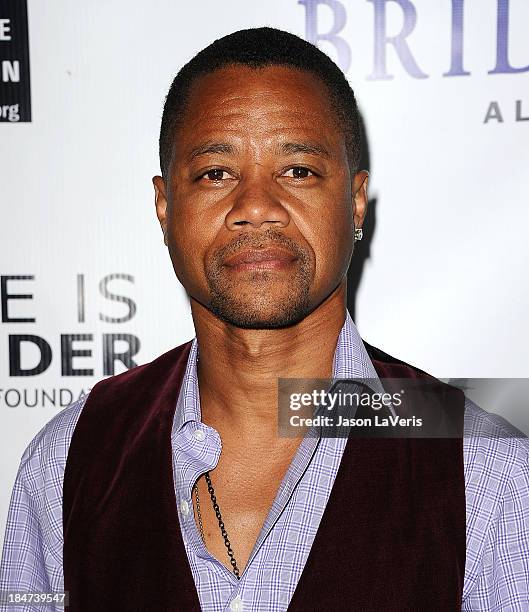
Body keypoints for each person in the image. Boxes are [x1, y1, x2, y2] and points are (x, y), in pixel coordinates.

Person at [1, 27, 528, 612]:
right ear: (164, 206)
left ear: (355, 202)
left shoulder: (481, 464)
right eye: (215, 173)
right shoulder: (68, 459)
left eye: (298, 170)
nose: (255, 205)